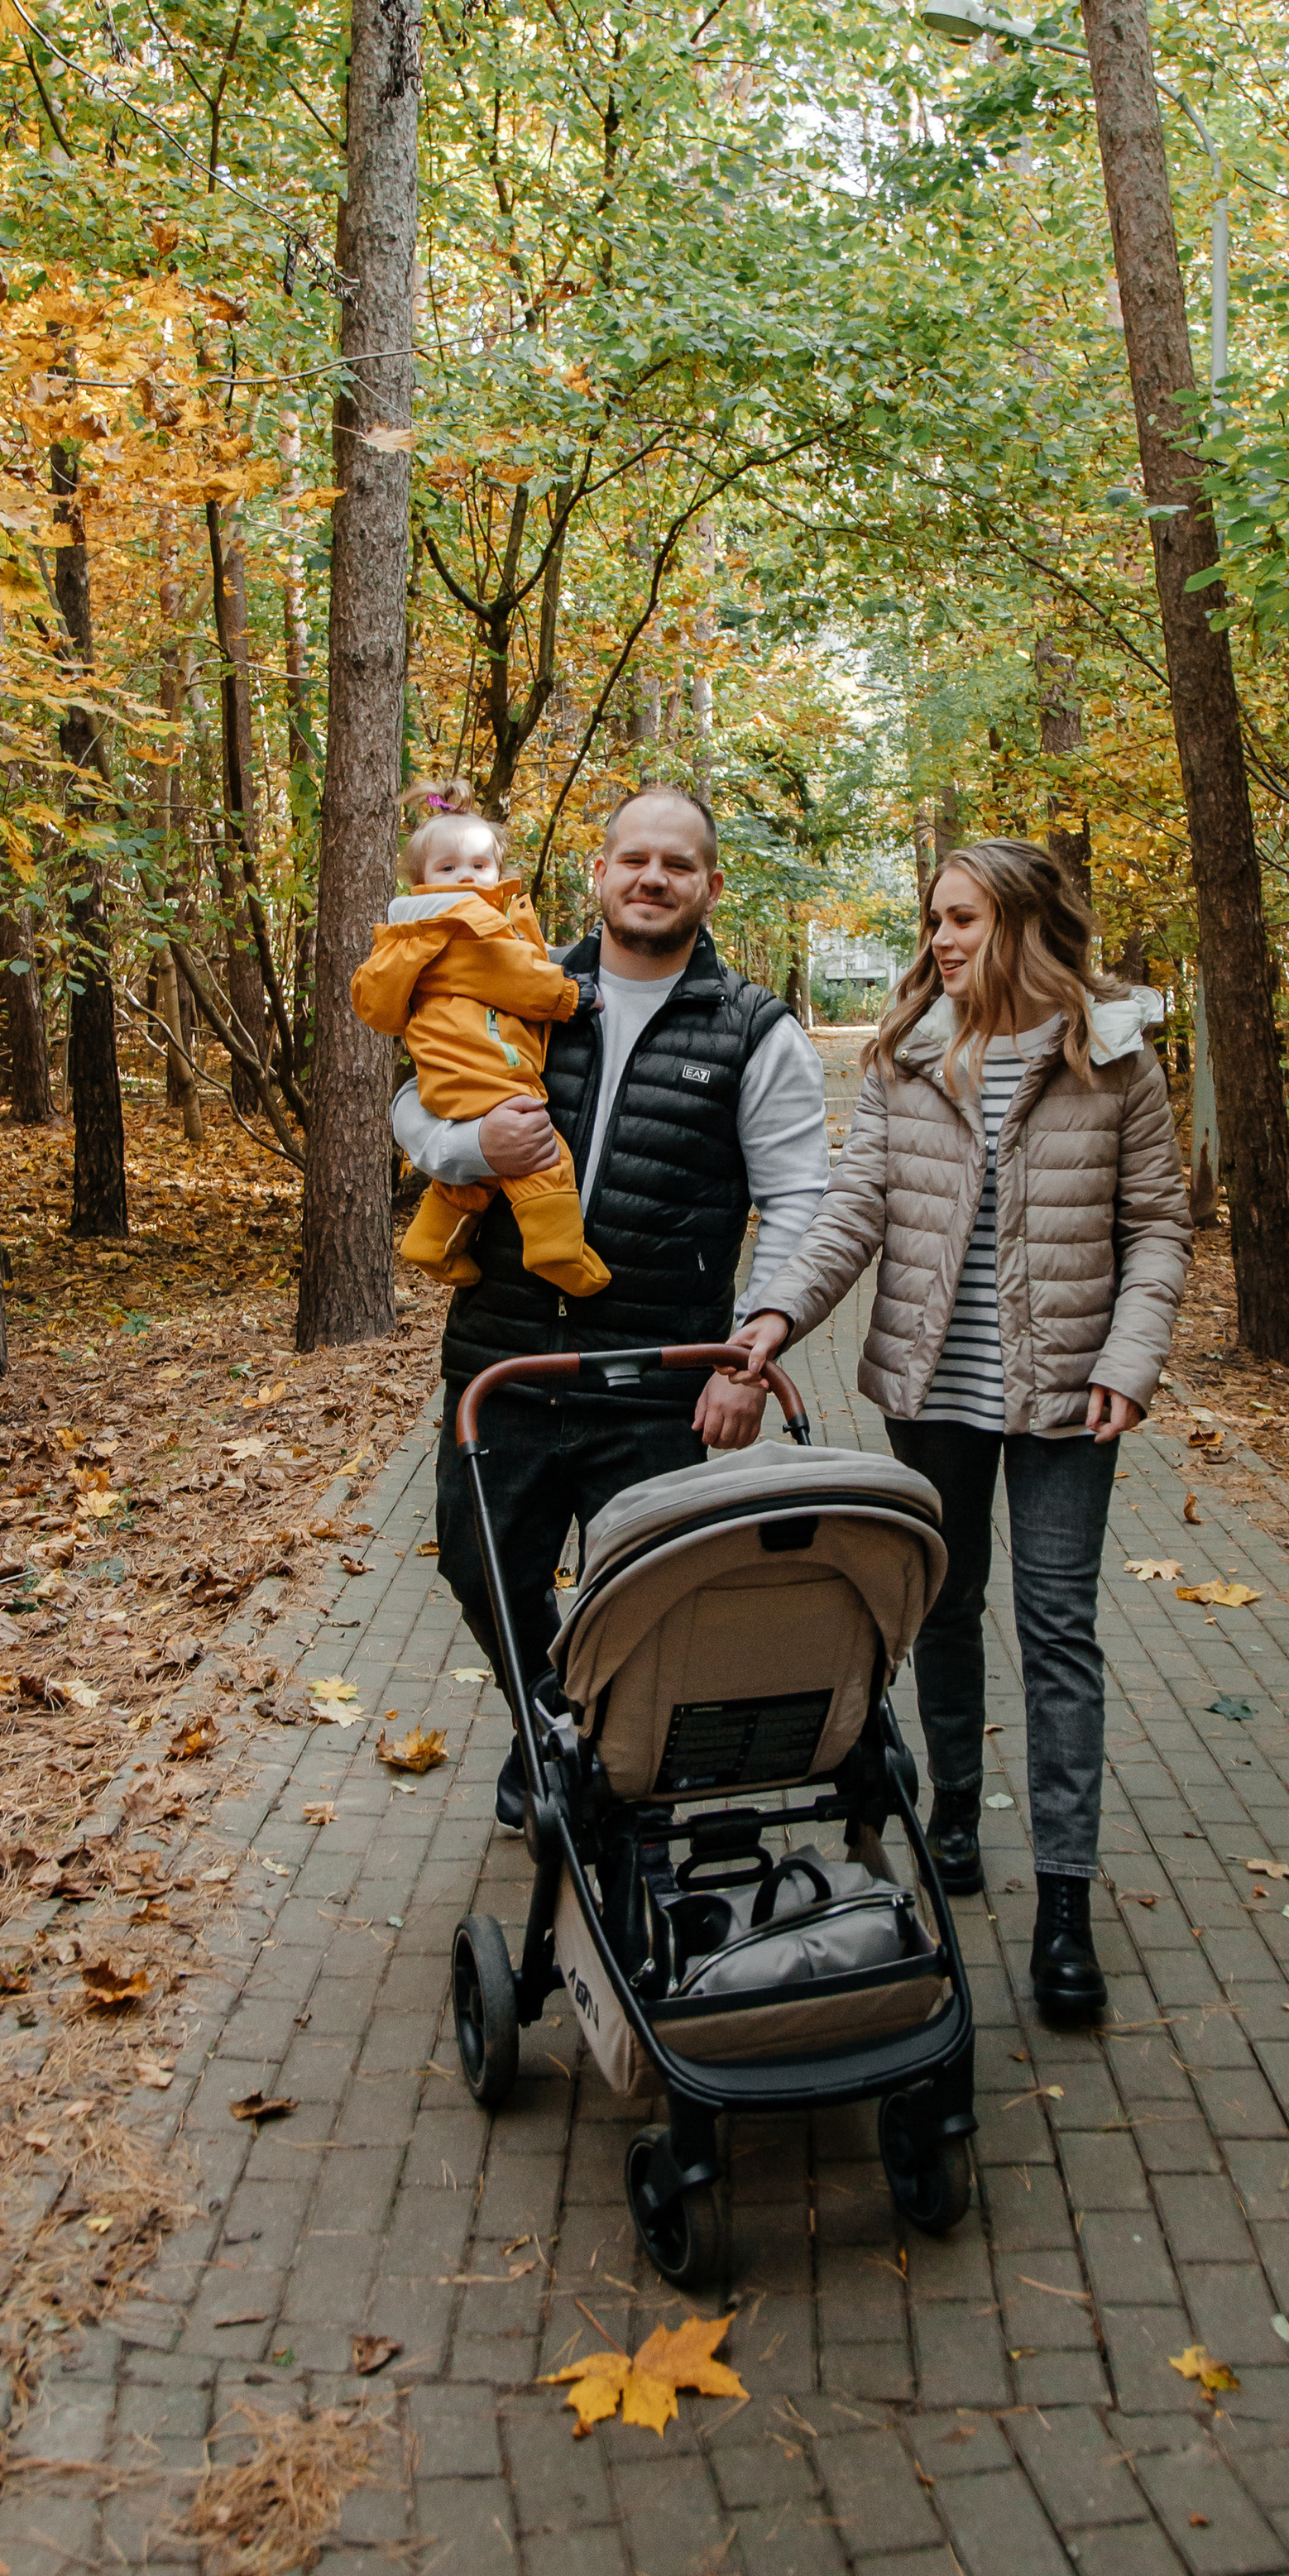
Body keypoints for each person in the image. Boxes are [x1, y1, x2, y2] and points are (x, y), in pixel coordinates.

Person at [726, 839, 1191, 2024]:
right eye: (935, 918)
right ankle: (952, 1812)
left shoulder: (1116, 1059)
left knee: (1058, 1633)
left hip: (1069, 1397)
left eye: (965, 920)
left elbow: (1158, 1231)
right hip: (931, 1391)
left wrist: (1131, 1368)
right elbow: (853, 1213)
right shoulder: (908, 1057)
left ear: (1026, 927)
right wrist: (773, 1316)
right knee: (944, 1605)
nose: (939, 940)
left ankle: (1067, 1905)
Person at [393, 784, 831, 1829]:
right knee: (479, 1567)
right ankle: (552, 1729)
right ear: (597, 874)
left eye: (677, 865)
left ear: (710, 888)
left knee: (645, 1598)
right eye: (633, 859)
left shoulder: (753, 1030)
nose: (651, 879)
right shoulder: (517, 982)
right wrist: (470, 1150)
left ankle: (601, 1765)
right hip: (502, 1363)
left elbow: (801, 1198)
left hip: (655, 1379)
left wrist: (751, 1355)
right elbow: (419, 1096)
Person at [350, 782, 609, 1297]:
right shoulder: (467, 927)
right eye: (447, 869)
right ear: (421, 880)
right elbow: (518, 979)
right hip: (488, 1070)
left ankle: (431, 1242)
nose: (465, 876)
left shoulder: (415, 934)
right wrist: (570, 996)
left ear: (498, 868)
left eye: (478, 865)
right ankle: (556, 1249)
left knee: (479, 1176)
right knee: (540, 1155)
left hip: (451, 1077)